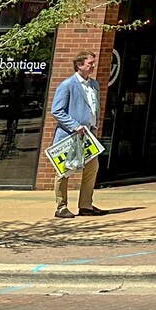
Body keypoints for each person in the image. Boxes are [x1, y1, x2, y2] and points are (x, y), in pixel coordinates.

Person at [49, 52, 107, 218]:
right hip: (69, 135)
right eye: (90, 63)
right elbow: (57, 110)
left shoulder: (94, 85)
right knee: (63, 170)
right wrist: (74, 125)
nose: (93, 66)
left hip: (89, 134)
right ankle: (61, 207)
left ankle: (86, 205)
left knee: (92, 167)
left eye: (93, 63)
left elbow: (94, 107)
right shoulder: (67, 85)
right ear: (80, 65)